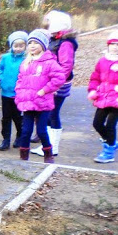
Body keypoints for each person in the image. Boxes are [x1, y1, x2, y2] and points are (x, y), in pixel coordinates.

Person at [31, 10, 78, 157]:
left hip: (57, 85)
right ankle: (47, 145)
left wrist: (55, 84)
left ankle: (52, 147)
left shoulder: (65, 43)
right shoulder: (54, 40)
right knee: (47, 113)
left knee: (52, 113)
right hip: (49, 83)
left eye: (49, 24)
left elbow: (66, 66)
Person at [87, 28, 118, 163]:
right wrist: (92, 90)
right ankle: (112, 142)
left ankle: (109, 151)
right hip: (103, 97)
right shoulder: (103, 60)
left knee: (110, 125)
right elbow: (95, 77)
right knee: (97, 123)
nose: (115, 47)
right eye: (112, 44)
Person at [14, 29, 66, 163]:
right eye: (30, 43)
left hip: (43, 103)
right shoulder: (26, 63)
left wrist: (45, 90)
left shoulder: (49, 62)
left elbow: (60, 77)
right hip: (28, 102)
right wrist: (19, 95)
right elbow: (20, 80)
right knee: (26, 131)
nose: (32, 46)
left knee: (42, 131)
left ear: (43, 45)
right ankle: (23, 156)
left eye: (36, 43)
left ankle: (48, 154)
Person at [0, 31, 28, 151]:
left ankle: (19, 136)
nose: (18, 48)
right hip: (5, 93)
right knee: (6, 117)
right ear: (11, 46)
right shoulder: (6, 58)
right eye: (16, 46)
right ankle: (6, 139)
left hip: (19, 94)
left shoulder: (26, 59)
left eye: (21, 46)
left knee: (18, 117)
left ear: (25, 46)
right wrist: (2, 78)